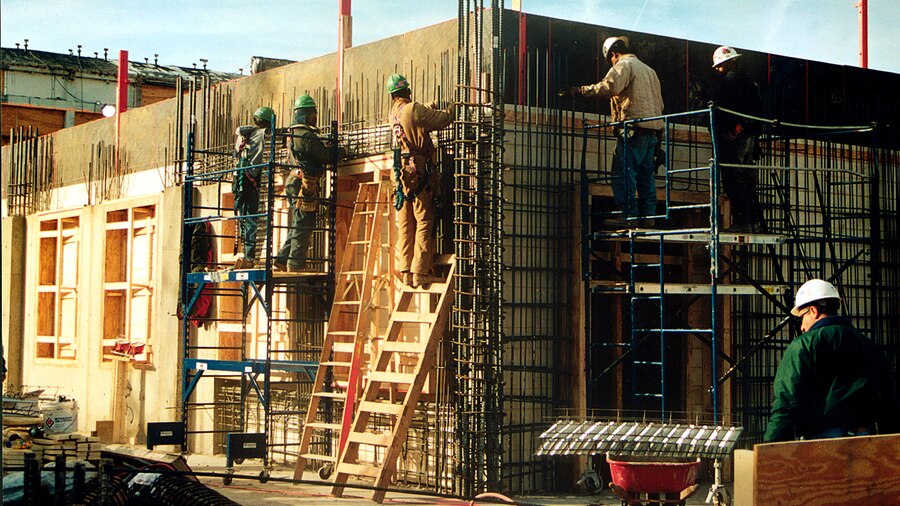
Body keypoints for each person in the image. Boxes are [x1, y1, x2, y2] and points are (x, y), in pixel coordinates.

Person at [764, 279, 898, 442]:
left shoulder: (804, 345)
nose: (802, 327)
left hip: (823, 441)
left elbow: (787, 402)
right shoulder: (871, 345)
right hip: (867, 438)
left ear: (813, 311)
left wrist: (770, 448)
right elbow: (889, 403)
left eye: (801, 318)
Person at [564, 36, 664, 226]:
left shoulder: (623, 65)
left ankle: (628, 217)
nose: (612, 62)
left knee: (622, 174)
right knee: (646, 178)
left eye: (611, 59)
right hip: (652, 134)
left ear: (614, 54)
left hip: (633, 132)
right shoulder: (651, 72)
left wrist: (580, 91)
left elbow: (609, 86)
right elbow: (660, 105)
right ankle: (649, 218)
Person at [387, 73, 454, 288]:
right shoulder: (414, 110)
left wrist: (427, 107)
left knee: (405, 223)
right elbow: (442, 119)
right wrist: (454, 107)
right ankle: (421, 273)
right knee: (424, 220)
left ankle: (406, 271)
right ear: (407, 91)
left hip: (400, 174)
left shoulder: (394, 113)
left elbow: (414, 114)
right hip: (417, 172)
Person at [273, 94, 341, 272]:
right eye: (312, 114)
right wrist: (341, 151)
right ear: (304, 114)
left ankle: (282, 258)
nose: (315, 118)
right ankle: (296, 263)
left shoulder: (293, 134)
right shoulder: (305, 136)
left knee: (300, 222)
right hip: (303, 183)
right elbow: (326, 156)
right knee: (305, 222)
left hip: (295, 180)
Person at [711, 46, 764, 233]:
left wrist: (733, 128)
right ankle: (754, 221)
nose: (717, 69)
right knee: (747, 179)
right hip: (749, 135)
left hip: (737, 137)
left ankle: (743, 222)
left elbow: (730, 107)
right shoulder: (747, 80)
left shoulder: (731, 79)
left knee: (733, 178)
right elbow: (755, 108)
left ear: (727, 62)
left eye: (719, 65)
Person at [232, 107, 274, 269]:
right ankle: (250, 256)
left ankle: (247, 254)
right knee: (252, 218)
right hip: (252, 182)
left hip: (239, 181)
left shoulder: (243, 135)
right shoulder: (263, 135)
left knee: (245, 218)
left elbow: (236, 156)